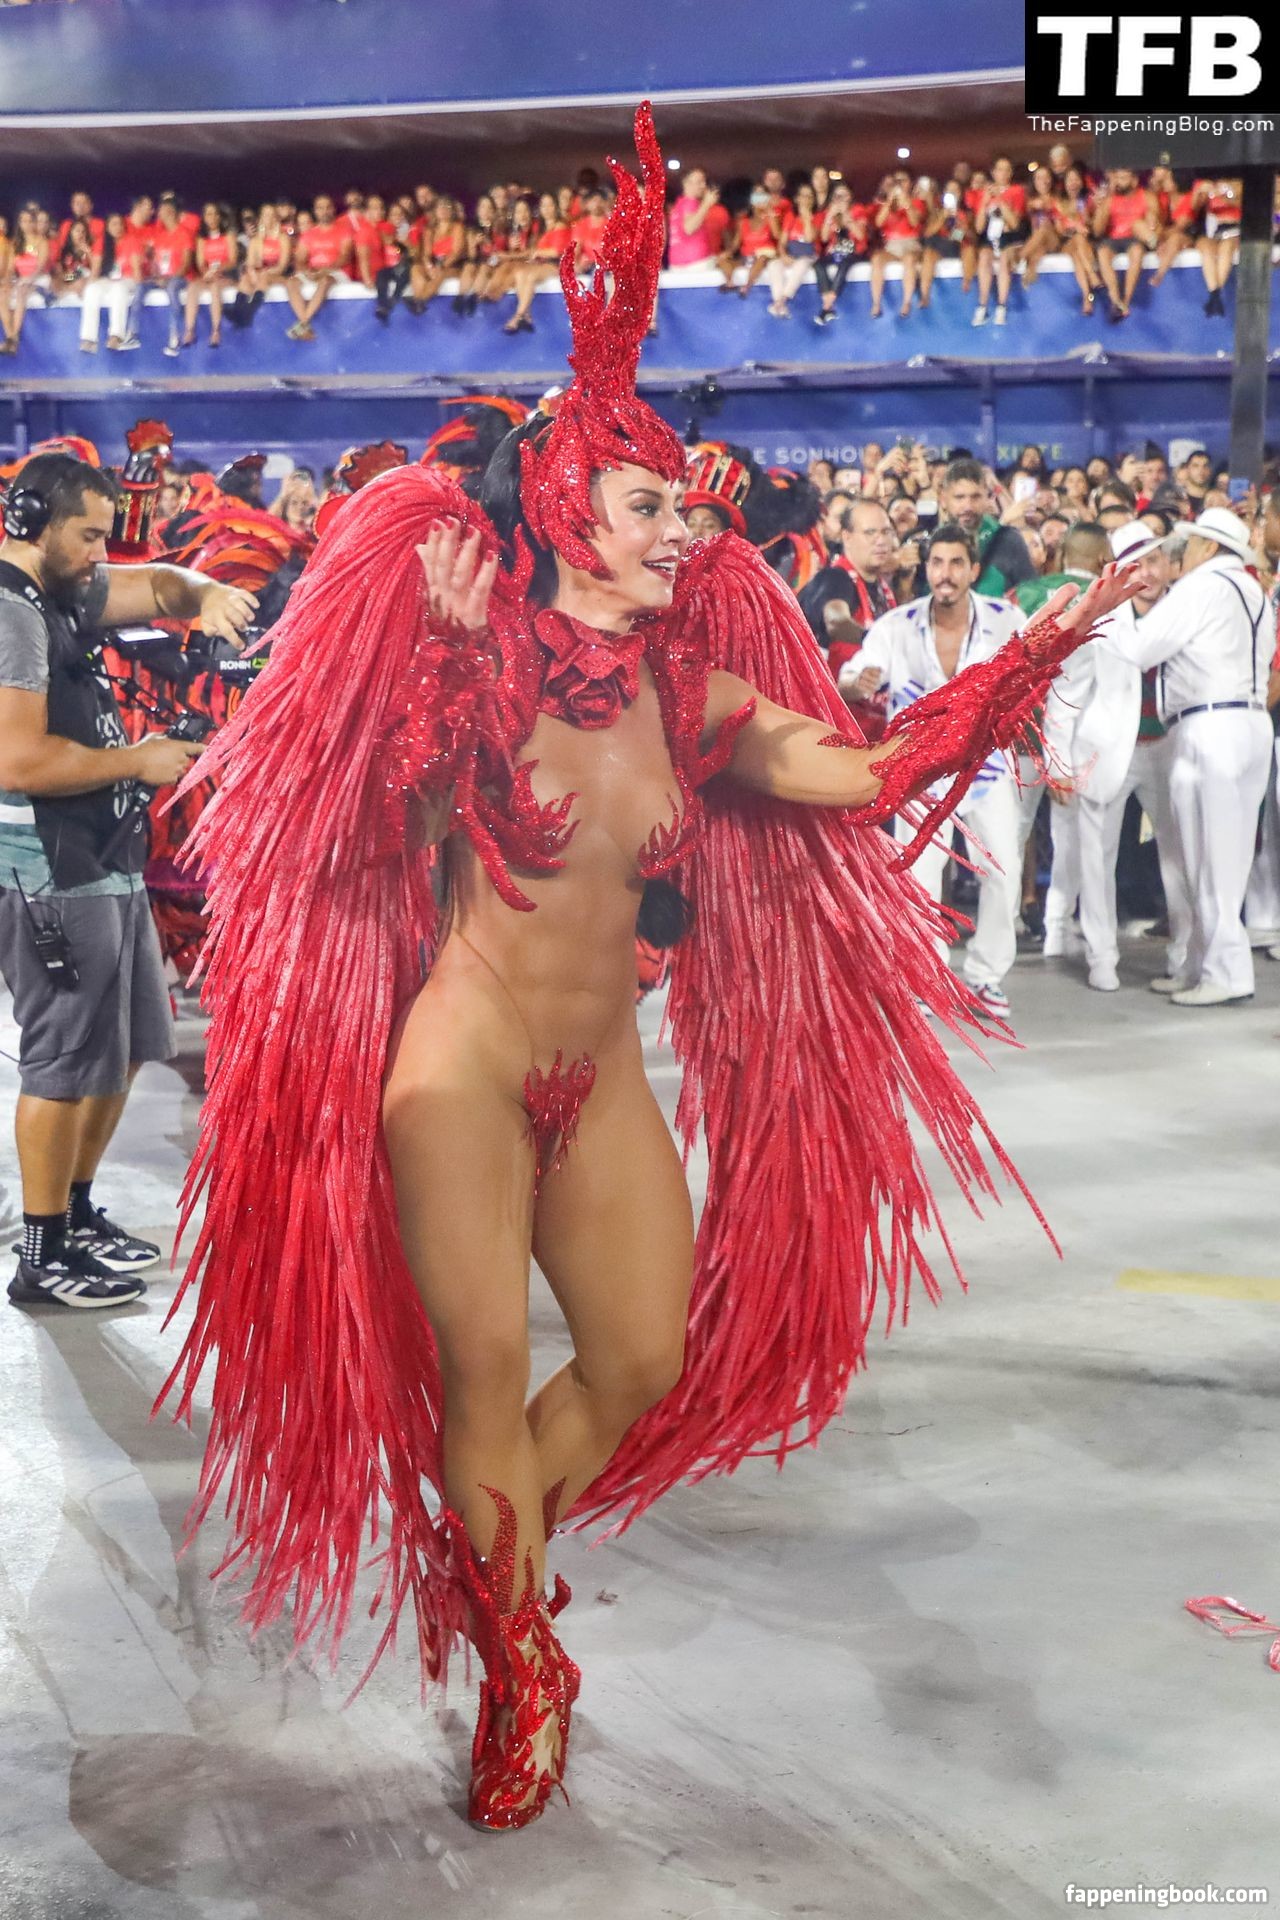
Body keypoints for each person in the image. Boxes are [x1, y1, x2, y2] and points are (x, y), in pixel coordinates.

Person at [153, 106, 1130, 1837]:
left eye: (683, 503)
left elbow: (862, 774)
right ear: (565, 507)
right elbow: (372, 826)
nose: (687, 527)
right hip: (460, 1070)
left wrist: (1026, 662)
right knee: (478, 1375)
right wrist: (442, 669)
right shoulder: (471, 647)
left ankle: (488, 1572)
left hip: (602, 1080)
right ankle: (519, 1662)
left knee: (638, 1362)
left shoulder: (700, 697)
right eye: (649, 502)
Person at [0, 452, 256, 1309]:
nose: (99, 555)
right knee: (62, 1061)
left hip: (103, 856)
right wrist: (137, 760)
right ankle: (41, 1254)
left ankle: (72, 1214)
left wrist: (207, 595)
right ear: (30, 522)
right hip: (47, 868)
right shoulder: (11, 611)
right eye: (87, 535)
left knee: (121, 1046)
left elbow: (161, 586)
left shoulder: (63, 590)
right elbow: (16, 759)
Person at [838, 523, 1035, 1017]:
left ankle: (986, 978)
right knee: (920, 876)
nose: (945, 574)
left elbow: (1035, 669)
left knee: (1003, 871)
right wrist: (858, 683)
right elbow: (855, 670)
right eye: (936, 563)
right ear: (926, 569)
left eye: (955, 563)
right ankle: (926, 978)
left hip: (987, 767)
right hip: (921, 769)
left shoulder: (1006, 619)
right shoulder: (897, 625)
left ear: (973, 570)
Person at [1096, 506, 1271, 1005]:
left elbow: (1140, 649)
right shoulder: (1254, 591)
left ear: (1210, 547)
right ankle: (1199, 964)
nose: (1181, 554)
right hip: (1248, 723)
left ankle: (1225, 973)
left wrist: (1106, 610)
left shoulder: (1203, 586)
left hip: (1209, 726)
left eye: (1190, 544)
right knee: (1226, 857)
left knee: (1209, 858)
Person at [1073, 520, 1186, 992]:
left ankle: (1185, 954)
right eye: (1136, 564)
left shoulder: (1187, 608)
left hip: (1170, 748)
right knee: (1096, 857)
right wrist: (1062, 755)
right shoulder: (1101, 613)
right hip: (1107, 748)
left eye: (1154, 560)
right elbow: (1074, 684)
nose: (1148, 572)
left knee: (1180, 856)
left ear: (1169, 563)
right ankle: (1101, 954)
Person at [1009, 521, 1113, 961]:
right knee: (1071, 838)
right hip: (1079, 738)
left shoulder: (1022, 594)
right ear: (1103, 558)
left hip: (1019, 728)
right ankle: (1059, 926)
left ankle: (1005, 919)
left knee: (1011, 831)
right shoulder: (1109, 600)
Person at [941, 457, 1036, 596]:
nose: (968, 506)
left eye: (975, 497)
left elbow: (1031, 597)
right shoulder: (930, 544)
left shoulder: (1009, 540)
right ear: (943, 500)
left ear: (986, 497)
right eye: (959, 497)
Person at [285, 194, 351, 341]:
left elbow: (345, 256)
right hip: (313, 271)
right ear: (315, 211)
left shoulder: (344, 231)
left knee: (325, 280)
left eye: (328, 207)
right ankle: (304, 324)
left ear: (333, 209)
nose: (324, 211)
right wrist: (307, 271)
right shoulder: (309, 234)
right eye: (320, 208)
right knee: (291, 282)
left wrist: (325, 270)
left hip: (335, 272)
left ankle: (303, 323)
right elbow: (300, 259)